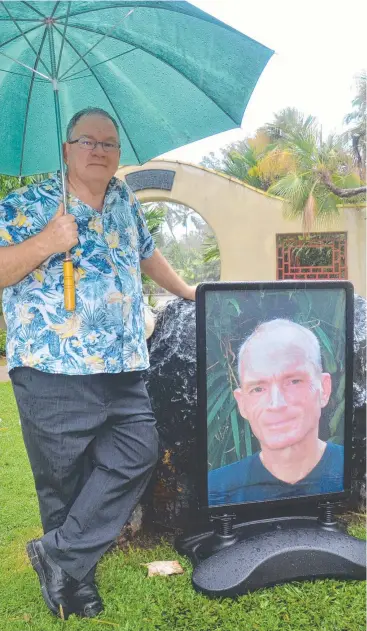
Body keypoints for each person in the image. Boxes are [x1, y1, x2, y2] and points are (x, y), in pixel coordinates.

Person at [0, 107, 196, 619]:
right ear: (66, 150)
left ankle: (57, 555)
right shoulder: (26, 202)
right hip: (53, 367)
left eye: (109, 144)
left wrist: (186, 290)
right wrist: (48, 242)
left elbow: (147, 254)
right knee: (63, 481)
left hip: (125, 362)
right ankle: (73, 586)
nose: (99, 150)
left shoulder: (124, 199)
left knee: (138, 450)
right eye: (87, 141)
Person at [208, 318, 344, 506]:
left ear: (324, 389)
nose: (276, 403)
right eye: (258, 389)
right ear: (242, 403)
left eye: (294, 381)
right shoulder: (216, 490)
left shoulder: (356, 472)